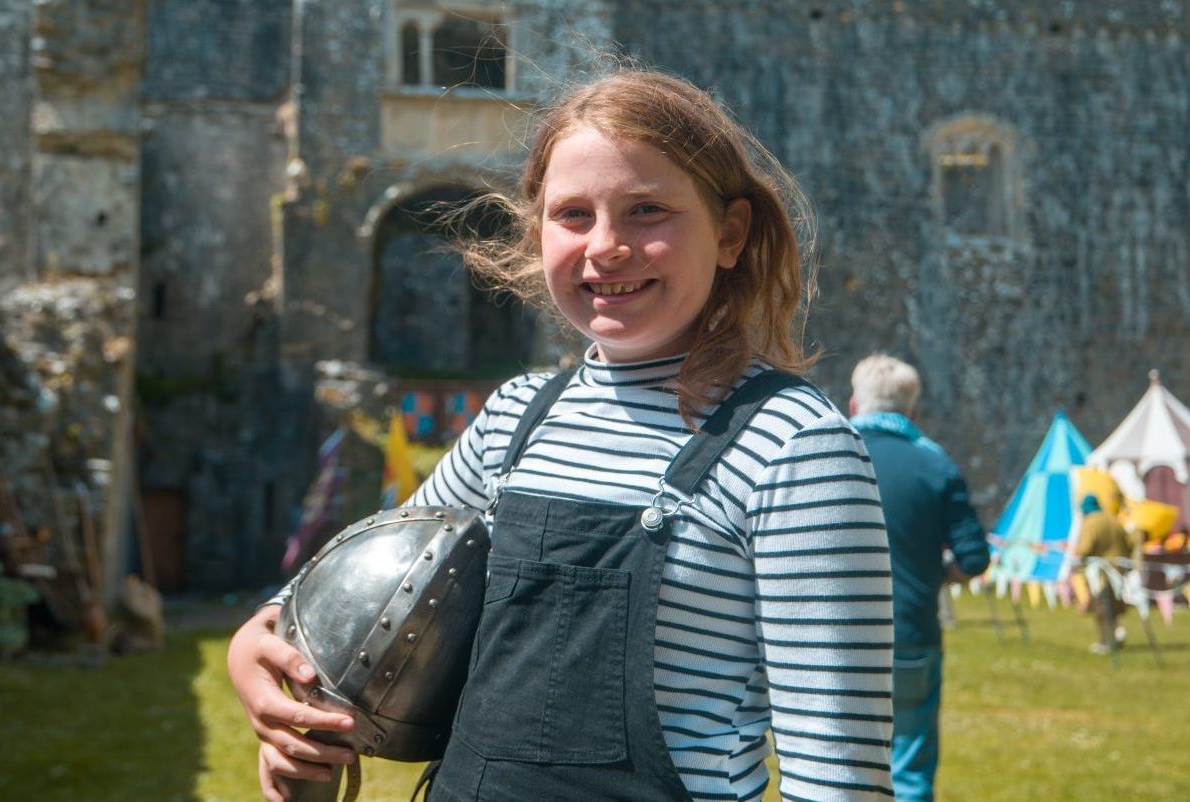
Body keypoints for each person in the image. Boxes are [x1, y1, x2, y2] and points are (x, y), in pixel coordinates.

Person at [229, 67, 895, 801]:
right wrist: (261, 645)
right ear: (535, 229)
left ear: (731, 234)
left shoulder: (794, 445)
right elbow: (370, 586)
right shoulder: (514, 418)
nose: (606, 246)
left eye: (648, 211)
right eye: (573, 214)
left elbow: (838, 776)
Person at [847, 353, 989, 802]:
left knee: (834, 770)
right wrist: (934, 573)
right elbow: (974, 558)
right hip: (910, 632)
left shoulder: (825, 455)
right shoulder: (937, 466)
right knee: (908, 773)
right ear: (914, 411)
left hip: (834, 638)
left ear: (853, 404)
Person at [1072, 494, 1135, 654]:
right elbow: (1130, 543)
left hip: (1103, 572)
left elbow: (1084, 548)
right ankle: (1117, 636)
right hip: (1120, 569)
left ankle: (1106, 642)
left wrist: (1076, 563)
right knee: (1113, 607)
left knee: (1102, 608)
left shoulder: (1091, 523)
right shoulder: (1113, 520)